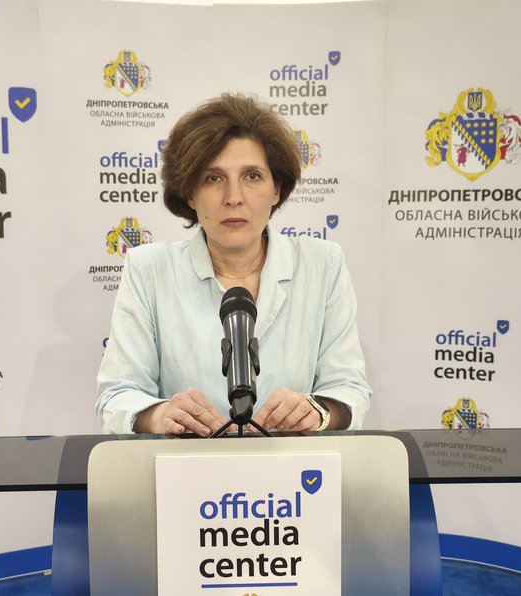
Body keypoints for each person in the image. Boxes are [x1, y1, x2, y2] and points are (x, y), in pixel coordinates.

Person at [96, 93, 371, 436]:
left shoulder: (323, 265)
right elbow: (116, 396)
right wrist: (159, 415)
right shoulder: (148, 270)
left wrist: (319, 411)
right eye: (213, 178)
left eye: (252, 176)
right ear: (190, 193)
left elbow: (349, 390)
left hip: (292, 466)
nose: (234, 197)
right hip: (187, 465)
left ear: (276, 189)